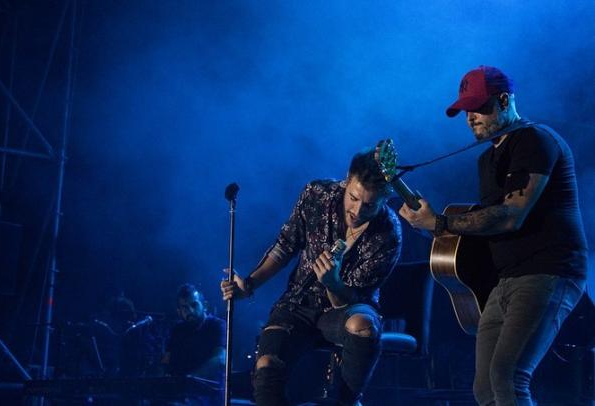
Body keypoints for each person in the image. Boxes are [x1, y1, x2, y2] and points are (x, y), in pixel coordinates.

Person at [399, 65, 588, 406]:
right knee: (485, 388)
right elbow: (485, 224)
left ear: (504, 100)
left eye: (479, 107)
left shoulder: (534, 139)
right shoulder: (487, 159)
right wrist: (434, 230)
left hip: (548, 271)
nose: (470, 117)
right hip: (506, 281)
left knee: (507, 375)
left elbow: (511, 215)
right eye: (465, 110)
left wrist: (440, 224)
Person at [221, 148, 402, 406]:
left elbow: (350, 299)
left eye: (369, 205)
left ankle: (347, 401)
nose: (358, 210)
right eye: (353, 198)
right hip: (298, 304)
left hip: (346, 309)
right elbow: (284, 247)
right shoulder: (317, 194)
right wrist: (248, 285)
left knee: (363, 326)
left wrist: (333, 283)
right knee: (266, 364)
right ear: (347, 179)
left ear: (385, 199)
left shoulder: (388, 232)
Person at [162, 283, 226, 383]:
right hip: (181, 391)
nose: (190, 310)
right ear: (179, 311)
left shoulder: (217, 325)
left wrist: (191, 379)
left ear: (205, 305)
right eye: (184, 307)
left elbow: (220, 358)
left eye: (194, 305)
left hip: (209, 391)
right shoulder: (177, 330)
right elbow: (166, 360)